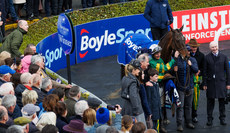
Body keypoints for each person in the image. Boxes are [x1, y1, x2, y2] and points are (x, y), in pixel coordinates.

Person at [203, 41, 230, 126]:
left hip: (221, 83)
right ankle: (209, 119)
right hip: (210, 83)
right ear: (210, 48)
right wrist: (204, 83)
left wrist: (228, 83)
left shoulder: (224, 57)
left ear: (218, 47)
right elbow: (205, 72)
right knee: (210, 102)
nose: (214, 48)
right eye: (212, 47)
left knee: (222, 102)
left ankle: (222, 118)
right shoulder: (206, 58)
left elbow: (228, 72)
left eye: (215, 47)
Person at [173, 45, 198, 131]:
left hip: (189, 86)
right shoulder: (177, 60)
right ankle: (179, 124)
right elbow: (170, 70)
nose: (188, 52)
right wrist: (174, 66)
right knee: (180, 106)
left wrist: (191, 65)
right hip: (180, 87)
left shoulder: (192, 60)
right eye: (186, 51)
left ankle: (188, 122)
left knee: (188, 106)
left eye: (189, 51)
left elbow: (196, 70)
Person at [121, 59, 146, 126]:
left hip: (126, 108)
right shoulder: (133, 81)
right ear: (133, 70)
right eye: (138, 69)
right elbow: (133, 96)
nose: (139, 71)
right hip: (135, 111)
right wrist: (136, 110)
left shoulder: (125, 78)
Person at [187, 38, 205, 123]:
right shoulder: (187, 55)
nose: (193, 48)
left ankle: (194, 115)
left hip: (196, 80)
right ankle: (187, 116)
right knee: (187, 100)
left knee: (195, 99)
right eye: (192, 47)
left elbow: (204, 67)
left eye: (195, 47)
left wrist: (199, 71)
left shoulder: (201, 56)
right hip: (187, 80)